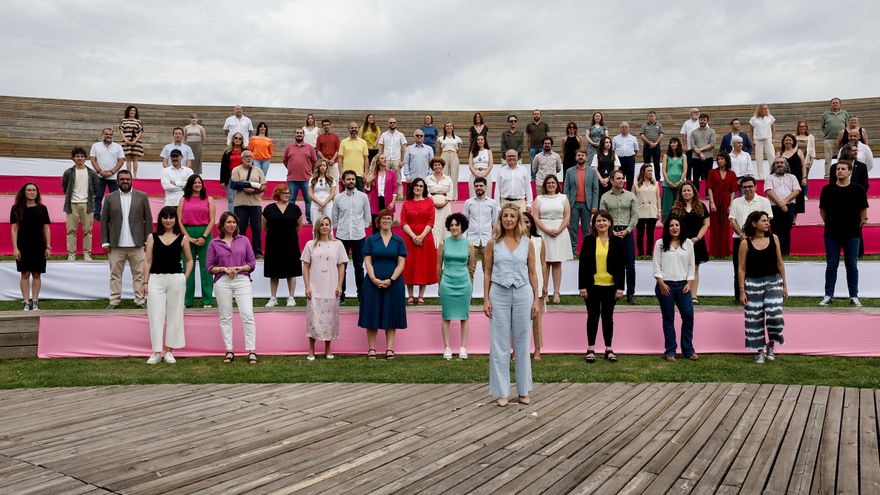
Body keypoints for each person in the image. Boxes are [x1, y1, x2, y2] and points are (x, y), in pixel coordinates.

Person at [484, 203, 539, 407]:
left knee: (523, 343)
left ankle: (523, 390)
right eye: (505, 216)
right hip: (498, 292)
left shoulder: (527, 243)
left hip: (523, 293)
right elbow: (487, 272)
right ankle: (502, 391)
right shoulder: (493, 243)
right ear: (500, 219)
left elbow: (533, 273)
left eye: (512, 216)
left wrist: (536, 299)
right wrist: (486, 299)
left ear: (518, 220)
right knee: (499, 344)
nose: (508, 219)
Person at [144, 206, 193, 365]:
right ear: (161, 219)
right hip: (156, 279)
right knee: (155, 315)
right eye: (165, 217)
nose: (168, 220)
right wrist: (145, 282)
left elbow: (189, 260)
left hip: (176, 280)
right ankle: (156, 352)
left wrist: (184, 278)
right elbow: (148, 261)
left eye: (171, 217)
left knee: (175, 315)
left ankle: (169, 351)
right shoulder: (152, 237)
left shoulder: (182, 237)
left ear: (175, 219)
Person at [207, 212, 258, 364]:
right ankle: (229, 350)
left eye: (234, 222)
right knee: (225, 316)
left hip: (242, 279)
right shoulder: (214, 243)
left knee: (247, 314)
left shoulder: (244, 240)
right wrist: (223, 269)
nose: (232, 225)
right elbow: (209, 267)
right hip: (222, 281)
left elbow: (252, 263)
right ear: (222, 225)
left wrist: (240, 268)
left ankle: (252, 350)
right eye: (228, 222)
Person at [738, 211, 787, 364]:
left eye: (767, 220)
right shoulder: (745, 242)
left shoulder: (774, 238)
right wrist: (741, 290)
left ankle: (771, 345)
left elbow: (780, 263)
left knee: (775, 316)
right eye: (764, 220)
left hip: (773, 281)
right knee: (754, 319)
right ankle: (760, 351)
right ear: (754, 224)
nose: (767, 223)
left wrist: (785, 285)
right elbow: (741, 268)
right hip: (753, 284)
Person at [359, 208, 407, 360]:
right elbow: (367, 261)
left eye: (389, 218)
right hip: (372, 284)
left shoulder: (399, 241)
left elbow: (401, 263)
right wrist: (373, 279)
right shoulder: (371, 240)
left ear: (392, 221)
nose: (386, 221)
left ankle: (389, 349)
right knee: (371, 315)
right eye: (383, 218)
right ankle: (371, 349)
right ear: (378, 222)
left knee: (391, 315)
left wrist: (391, 280)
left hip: (394, 284)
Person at [819, 160, 869, 307]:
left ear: (849, 172)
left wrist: (858, 224)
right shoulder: (827, 190)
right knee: (831, 265)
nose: (840, 171)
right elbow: (822, 211)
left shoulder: (858, 190)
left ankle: (854, 295)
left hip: (852, 234)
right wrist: (831, 223)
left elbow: (863, 212)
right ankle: (828, 295)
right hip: (831, 234)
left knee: (852, 265)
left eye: (843, 169)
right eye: (838, 169)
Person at [100, 169, 152, 309]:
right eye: (122, 179)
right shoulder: (110, 197)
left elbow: (148, 219)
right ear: (117, 181)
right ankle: (114, 301)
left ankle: (140, 301)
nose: (125, 181)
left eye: (127, 179)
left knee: (139, 275)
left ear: (131, 180)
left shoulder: (142, 196)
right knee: (115, 275)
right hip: (116, 245)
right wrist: (105, 241)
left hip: (137, 244)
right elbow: (104, 221)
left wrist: (148, 241)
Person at [578, 210, 625, 363]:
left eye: (604, 220)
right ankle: (590, 349)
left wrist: (620, 287)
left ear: (610, 223)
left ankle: (608, 349)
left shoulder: (617, 241)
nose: (601, 223)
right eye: (598, 221)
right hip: (592, 286)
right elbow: (583, 265)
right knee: (592, 317)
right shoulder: (589, 240)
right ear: (594, 224)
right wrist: (582, 286)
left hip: (611, 286)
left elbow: (620, 266)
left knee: (607, 317)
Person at [301, 216, 348, 360]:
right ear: (317, 227)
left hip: (331, 287)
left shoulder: (338, 245)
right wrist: (307, 286)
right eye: (322, 224)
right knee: (313, 319)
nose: (325, 227)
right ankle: (311, 349)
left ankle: (328, 349)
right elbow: (306, 266)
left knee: (330, 319)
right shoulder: (310, 245)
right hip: (315, 287)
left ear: (330, 227)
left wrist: (340, 285)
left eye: (327, 224)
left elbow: (341, 266)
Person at [653, 216, 696, 361]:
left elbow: (691, 265)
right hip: (665, 286)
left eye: (677, 225)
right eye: (671, 225)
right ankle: (670, 351)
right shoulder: (660, 244)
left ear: (681, 227)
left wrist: (689, 283)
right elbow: (656, 265)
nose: (674, 228)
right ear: (667, 228)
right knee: (668, 318)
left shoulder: (688, 243)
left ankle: (688, 350)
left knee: (688, 316)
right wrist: (661, 283)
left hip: (683, 285)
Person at [437, 213, 475, 360]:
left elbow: (471, 268)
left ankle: (463, 348)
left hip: (464, 283)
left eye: (456, 225)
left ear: (462, 226)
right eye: (451, 225)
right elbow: (438, 267)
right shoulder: (443, 243)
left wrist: (470, 286)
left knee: (464, 316)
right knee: (446, 316)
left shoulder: (469, 245)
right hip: (447, 283)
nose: (454, 227)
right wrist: (439, 286)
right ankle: (446, 348)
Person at [729, 176, 774, 302]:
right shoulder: (736, 201)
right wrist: (742, 234)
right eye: (745, 187)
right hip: (740, 239)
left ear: (755, 187)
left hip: (758, 240)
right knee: (738, 268)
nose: (747, 189)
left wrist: (754, 234)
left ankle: (758, 296)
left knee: (758, 268)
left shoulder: (764, 201)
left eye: (750, 186)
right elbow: (732, 220)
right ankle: (739, 297)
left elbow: (768, 219)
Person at [332, 170, 371, 303]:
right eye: (348, 179)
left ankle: (361, 296)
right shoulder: (338, 198)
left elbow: (367, 217)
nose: (351, 181)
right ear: (343, 181)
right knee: (341, 266)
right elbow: (334, 217)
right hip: (342, 236)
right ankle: (340, 296)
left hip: (358, 235)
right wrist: (339, 229)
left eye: (353, 179)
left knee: (359, 267)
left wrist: (361, 228)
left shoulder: (363, 197)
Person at [10, 183, 50, 311]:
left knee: (37, 274)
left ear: (37, 193)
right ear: (24, 192)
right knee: (25, 274)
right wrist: (15, 248)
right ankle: (26, 302)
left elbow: (46, 228)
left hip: (39, 245)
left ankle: (35, 302)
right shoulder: (16, 208)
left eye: (34, 190)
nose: (32, 192)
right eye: (29, 190)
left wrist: (48, 246)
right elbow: (14, 229)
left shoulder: (42, 208)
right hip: (23, 245)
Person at [600, 170, 638, 304]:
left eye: (622, 178)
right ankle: (613, 292)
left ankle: (631, 294)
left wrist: (627, 231)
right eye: (618, 178)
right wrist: (611, 231)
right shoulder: (604, 197)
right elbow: (602, 217)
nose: (621, 180)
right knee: (613, 264)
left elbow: (635, 216)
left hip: (627, 234)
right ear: (611, 180)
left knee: (630, 265)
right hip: (611, 234)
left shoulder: (631, 195)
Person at [178, 174, 215, 308]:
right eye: (195, 183)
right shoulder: (183, 200)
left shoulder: (209, 199)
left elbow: (212, 220)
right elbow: (179, 221)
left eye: (199, 182)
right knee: (188, 268)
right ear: (190, 185)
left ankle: (207, 301)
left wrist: (204, 237)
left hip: (204, 233)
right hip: (187, 234)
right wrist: (186, 236)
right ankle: (187, 301)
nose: (197, 185)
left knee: (206, 268)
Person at [533, 174, 572, 303]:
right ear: (545, 185)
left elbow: (567, 216)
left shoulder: (563, 198)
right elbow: (536, 217)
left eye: (553, 182)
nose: (550, 185)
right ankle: (545, 292)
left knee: (556, 262)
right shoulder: (539, 198)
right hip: (543, 231)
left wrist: (559, 230)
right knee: (544, 263)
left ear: (557, 184)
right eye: (548, 183)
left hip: (559, 231)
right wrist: (546, 230)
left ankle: (556, 292)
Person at [262, 184, 303, 307]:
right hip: (273, 244)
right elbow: (265, 226)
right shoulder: (269, 208)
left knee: (292, 271)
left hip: (290, 243)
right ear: (278, 194)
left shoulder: (295, 209)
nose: (287, 195)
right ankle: (273, 298)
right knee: (273, 272)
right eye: (284, 193)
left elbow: (298, 225)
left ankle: (291, 297)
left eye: (288, 193)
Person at [670, 182, 710, 304]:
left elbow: (706, 224)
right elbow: (671, 225)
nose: (686, 193)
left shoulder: (701, 206)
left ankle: (693, 296)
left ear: (694, 192)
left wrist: (697, 238)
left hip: (696, 242)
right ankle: (681, 296)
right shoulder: (676, 207)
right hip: (680, 242)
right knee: (680, 269)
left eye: (689, 190)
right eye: (684, 191)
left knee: (695, 269)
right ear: (681, 193)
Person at [401, 177, 438, 304]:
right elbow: (403, 222)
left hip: (426, 237)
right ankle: (410, 295)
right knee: (409, 265)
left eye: (421, 186)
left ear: (424, 188)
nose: (418, 188)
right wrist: (413, 236)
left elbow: (431, 221)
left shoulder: (429, 202)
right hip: (409, 238)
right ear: (412, 187)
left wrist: (421, 236)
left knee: (423, 265)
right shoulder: (406, 203)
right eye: (416, 185)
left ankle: (421, 295)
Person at [62, 147, 99, 261]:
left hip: (87, 205)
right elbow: (64, 186)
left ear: (85, 158)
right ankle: (71, 254)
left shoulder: (91, 172)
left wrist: (89, 197)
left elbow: (96, 187)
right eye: (77, 156)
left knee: (87, 231)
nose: (80, 158)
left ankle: (87, 253)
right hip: (72, 204)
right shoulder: (68, 172)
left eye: (82, 156)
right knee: (71, 231)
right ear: (73, 158)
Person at [522, 211, 549, 360]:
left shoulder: (539, 240)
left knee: (536, 320)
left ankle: (537, 350)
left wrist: (545, 284)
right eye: (523, 221)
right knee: (518, 320)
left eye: (528, 222)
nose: (525, 225)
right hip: (520, 284)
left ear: (532, 223)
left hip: (536, 284)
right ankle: (517, 350)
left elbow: (543, 264)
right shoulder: (514, 240)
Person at [231, 151, 267, 257]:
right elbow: (234, 184)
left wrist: (254, 191)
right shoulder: (236, 170)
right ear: (241, 158)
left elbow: (264, 186)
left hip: (255, 204)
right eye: (246, 156)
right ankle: (240, 252)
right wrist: (248, 186)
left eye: (251, 156)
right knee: (240, 229)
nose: (249, 158)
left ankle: (257, 252)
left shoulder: (259, 171)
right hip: (240, 204)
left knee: (256, 228)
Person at [564, 149, 600, 254]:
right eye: (579, 155)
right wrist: (567, 205)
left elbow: (595, 190)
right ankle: (573, 251)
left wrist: (594, 205)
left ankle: (586, 252)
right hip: (573, 204)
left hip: (587, 205)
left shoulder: (592, 172)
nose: (580, 157)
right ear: (576, 157)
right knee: (573, 229)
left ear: (586, 157)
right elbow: (566, 189)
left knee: (586, 230)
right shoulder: (569, 171)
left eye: (583, 155)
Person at [764, 157, 801, 256]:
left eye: (781, 162)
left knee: (787, 230)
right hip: (773, 207)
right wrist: (780, 203)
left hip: (789, 206)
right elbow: (769, 191)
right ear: (774, 166)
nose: (779, 164)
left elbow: (796, 190)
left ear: (786, 165)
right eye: (777, 163)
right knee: (775, 230)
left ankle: (785, 253)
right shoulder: (769, 178)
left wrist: (785, 201)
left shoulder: (792, 177)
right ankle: (775, 253)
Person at [462, 176, 498, 275]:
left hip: (487, 241)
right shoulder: (468, 202)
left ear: (486, 187)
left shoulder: (492, 203)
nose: (479, 188)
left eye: (481, 186)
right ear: (474, 187)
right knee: (469, 271)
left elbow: (495, 223)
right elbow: (464, 223)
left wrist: (493, 239)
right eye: (476, 186)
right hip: (472, 242)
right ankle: (469, 291)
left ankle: (487, 291)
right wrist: (465, 240)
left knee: (488, 272)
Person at [283, 127, 317, 224]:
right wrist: (291, 168)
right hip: (291, 180)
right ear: (294, 134)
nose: (299, 134)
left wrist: (310, 171)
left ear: (303, 135)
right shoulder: (289, 147)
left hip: (306, 179)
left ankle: (310, 220)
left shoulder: (309, 147)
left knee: (308, 201)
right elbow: (285, 161)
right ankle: (291, 220)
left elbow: (314, 161)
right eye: (297, 133)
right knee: (291, 201)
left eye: (301, 133)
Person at [707, 152, 738, 257]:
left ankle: (724, 253)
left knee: (725, 228)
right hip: (715, 200)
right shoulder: (712, 172)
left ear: (726, 160)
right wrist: (711, 202)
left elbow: (733, 191)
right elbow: (709, 188)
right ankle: (714, 252)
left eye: (721, 159)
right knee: (715, 227)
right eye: (718, 159)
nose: (719, 161)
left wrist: (731, 205)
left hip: (726, 201)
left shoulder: (732, 174)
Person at [90, 128, 125, 221]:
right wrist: (100, 171)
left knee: (114, 198)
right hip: (99, 176)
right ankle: (96, 215)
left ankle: (113, 215)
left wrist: (112, 172)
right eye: (106, 134)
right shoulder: (95, 146)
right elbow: (93, 160)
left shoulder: (118, 147)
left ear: (112, 135)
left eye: (110, 134)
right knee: (98, 196)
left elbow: (121, 161)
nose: (108, 136)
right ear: (102, 134)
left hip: (113, 176)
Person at [632, 164, 661, 257]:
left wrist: (659, 210)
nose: (650, 172)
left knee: (650, 234)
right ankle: (640, 253)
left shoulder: (655, 183)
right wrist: (633, 212)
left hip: (652, 211)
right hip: (640, 211)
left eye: (651, 170)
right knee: (640, 234)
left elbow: (658, 198)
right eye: (648, 170)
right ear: (643, 172)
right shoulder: (636, 184)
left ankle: (649, 253)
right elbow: (632, 198)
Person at [426, 157, 454, 248]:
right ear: (432, 167)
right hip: (431, 205)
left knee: (444, 224)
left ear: (442, 166)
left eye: (439, 165)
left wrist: (444, 203)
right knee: (433, 224)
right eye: (435, 165)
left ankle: (445, 244)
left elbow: (450, 192)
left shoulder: (448, 178)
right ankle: (433, 245)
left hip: (445, 205)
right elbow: (426, 193)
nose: (437, 166)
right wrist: (433, 203)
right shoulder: (427, 179)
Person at [364, 154, 398, 227]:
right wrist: (367, 182)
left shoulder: (392, 173)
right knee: (376, 225)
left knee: (388, 225)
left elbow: (395, 188)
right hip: (376, 201)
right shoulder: (372, 174)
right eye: (382, 158)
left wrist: (393, 202)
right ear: (378, 161)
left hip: (388, 202)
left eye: (385, 158)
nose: (385, 160)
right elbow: (367, 190)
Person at [378, 117, 407, 196]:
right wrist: (379, 159)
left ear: (396, 124)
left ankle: (400, 196)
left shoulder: (401, 135)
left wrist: (402, 160)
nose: (392, 124)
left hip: (396, 160)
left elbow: (404, 148)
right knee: (385, 179)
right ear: (388, 124)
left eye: (394, 122)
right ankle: (384, 195)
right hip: (385, 160)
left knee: (398, 180)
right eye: (390, 122)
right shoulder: (384, 135)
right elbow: (380, 148)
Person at [779, 134, 807, 217]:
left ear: (793, 142)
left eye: (790, 140)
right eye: (786, 140)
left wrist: (804, 177)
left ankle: (794, 219)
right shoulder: (780, 153)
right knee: (785, 196)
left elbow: (803, 165)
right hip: (784, 179)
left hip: (797, 178)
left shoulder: (799, 151)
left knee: (797, 198)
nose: (788, 141)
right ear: (783, 142)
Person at [820, 97, 848, 177]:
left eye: (837, 103)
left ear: (840, 104)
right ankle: (827, 175)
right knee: (828, 158)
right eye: (833, 103)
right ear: (830, 104)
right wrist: (827, 133)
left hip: (842, 139)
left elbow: (846, 125)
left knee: (842, 158)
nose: (835, 104)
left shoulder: (844, 113)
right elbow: (822, 126)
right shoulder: (825, 114)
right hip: (828, 139)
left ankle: (842, 174)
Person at [688, 114, 716, 194]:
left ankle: (708, 195)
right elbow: (693, 145)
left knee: (708, 177)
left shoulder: (712, 131)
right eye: (701, 120)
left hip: (708, 157)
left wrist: (701, 150)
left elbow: (712, 144)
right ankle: (696, 195)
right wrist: (700, 154)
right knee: (696, 177)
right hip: (696, 158)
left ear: (707, 121)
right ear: (699, 120)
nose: (702, 121)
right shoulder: (693, 132)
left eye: (704, 120)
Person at [661, 137, 687, 220]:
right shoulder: (666, 156)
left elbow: (685, 170)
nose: (673, 144)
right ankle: (666, 224)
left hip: (680, 184)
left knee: (680, 206)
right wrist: (668, 181)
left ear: (678, 143)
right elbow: (664, 170)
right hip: (667, 184)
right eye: (671, 143)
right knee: (667, 207)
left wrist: (680, 181)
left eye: (674, 142)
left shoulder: (683, 156)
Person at [220, 132, 247, 213]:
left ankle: (242, 217)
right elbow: (223, 167)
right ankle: (232, 218)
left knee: (243, 199)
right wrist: (222, 181)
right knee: (231, 199)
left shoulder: (245, 151)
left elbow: (250, 164)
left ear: (242, 140)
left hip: (243, 178)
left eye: (240, 138)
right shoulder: (227, 152)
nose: (237, 140)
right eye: (236, 138)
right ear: (233, 139)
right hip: (230, 178)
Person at [339, 122, 369, 190]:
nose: (354, 129)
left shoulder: (363, 142)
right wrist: (341, 173)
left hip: (359, 174)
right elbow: (340, 158)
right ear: (348, 129)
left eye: (355, 128)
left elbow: (366, 159)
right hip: (346, 174)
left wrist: (366, 173)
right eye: (352, 128)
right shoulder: (343, 142)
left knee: (359, 196)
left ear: (358, 129)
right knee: (346, 196)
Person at [749, 104, 776, 180]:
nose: (766, 110)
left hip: (768, 139)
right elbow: (750, 130)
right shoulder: (754, 119)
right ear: (760, 109)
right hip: (757, 140)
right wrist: (752, 140)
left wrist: (773, 138)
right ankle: (761, 176)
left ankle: (773, 174)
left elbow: (773, 128)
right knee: (759, 158)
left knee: (771, 156)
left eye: (767, 108)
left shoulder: (770, 118)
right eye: (764, 108)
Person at [438, 122, 463, 200]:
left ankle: (453, 197)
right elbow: (439, 150)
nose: (449, 127)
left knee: (454, 177)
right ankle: (444, 195)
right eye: (447, 126)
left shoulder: (457, 139)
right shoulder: (441, 138)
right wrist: (439, 159)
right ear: (445, 128)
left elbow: (459, 151)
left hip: (454, 155)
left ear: (453, 127)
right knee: (444, 176)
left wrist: (455, 157)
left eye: (450, 126)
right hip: (444, 155)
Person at [612, 122, 639, 190]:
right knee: (619, 177)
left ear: (629, 128)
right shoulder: (615, 138)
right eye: (622, 127)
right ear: (620, 128)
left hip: (630, 159)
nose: (624, 128)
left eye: (626, 127)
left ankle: (629, 192)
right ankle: (620, 191)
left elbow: (636, 150)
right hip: (619, 160)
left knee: (630, 178)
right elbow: (612, 150)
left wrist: (630, 156)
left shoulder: (633, 138)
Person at [119, 105, 144, 178]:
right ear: (128, 111)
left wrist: (135, 140)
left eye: (134, 111)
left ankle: (135, 176)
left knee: (135, 159)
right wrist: (125, 139)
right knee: (128, 159)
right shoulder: (123, 120)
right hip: (126, 142)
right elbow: (121, 130)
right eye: (131, 110)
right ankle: (129, 175)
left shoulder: (138, 121)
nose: (132, 112)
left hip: (136, 143)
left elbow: (141, 132)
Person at [639, 111, 665, 181]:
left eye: (653, 116)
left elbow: (662, 135)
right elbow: (641, 135)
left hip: (656, 146)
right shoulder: (644, 125)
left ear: (655, 117)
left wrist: (655, 143)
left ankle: (658, 180)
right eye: (650, 116)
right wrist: (649, 143)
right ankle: (646, 179)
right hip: (647, 146)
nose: (651, 117)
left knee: (657, 164)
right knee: (646, 164)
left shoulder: (659, 125)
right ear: (648, 117)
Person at [795, 120, 816, 198]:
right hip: (797, 161)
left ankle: (805, 194)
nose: (802, 128)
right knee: (797, 178)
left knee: (805, 177)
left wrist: (812, 160)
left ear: (806, 127)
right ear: (798, 128)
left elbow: (812, 149)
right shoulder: (795, 137)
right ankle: (797, 194)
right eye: (800, 126)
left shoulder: (811, 137)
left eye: (803, 126)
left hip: (806, 161)